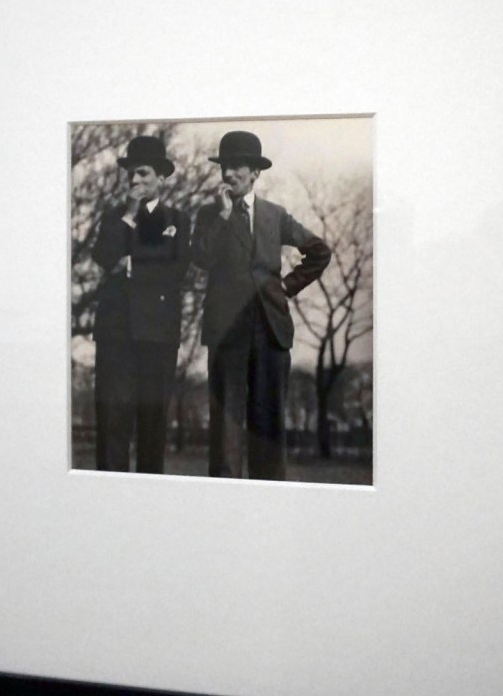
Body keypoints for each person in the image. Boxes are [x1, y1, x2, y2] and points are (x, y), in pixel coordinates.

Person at [192, 130, 331, 480]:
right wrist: (223, 217)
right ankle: (224, 505)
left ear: (255, 172)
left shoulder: (275, 215)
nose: (228, 174)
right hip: (226, 334)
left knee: (268, 427)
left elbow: (319, 252)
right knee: (225, 432)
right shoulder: (209, 215)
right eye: (224, 167)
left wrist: (286, 286)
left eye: (237, 166)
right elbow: (202, 258)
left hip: (271, 331)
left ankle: (269, 505)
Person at [91, 135, 190, 474]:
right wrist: (130, 216)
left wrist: (130, 264)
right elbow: (104, 256)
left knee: (153, 426)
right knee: (112, 424)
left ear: (161, 177)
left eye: (144, 173)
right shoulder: (113, 218)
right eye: (131, 174)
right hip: (115, 334)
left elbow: (176, 270)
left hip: (158, 337)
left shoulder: (178, 219)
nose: (135, 180)